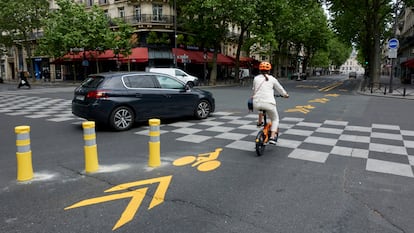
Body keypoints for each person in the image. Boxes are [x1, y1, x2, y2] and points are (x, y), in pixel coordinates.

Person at [252, 61, 289, 145]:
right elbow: (280, 89)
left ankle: (259, 122)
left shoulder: (256, 78)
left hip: (256, 102)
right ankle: (272, 137)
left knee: (260, 106)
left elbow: (254, 89)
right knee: (275, 119)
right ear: (269, 70)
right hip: (269, 103)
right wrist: (285, 95)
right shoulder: (272, 79)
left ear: (260, 70)